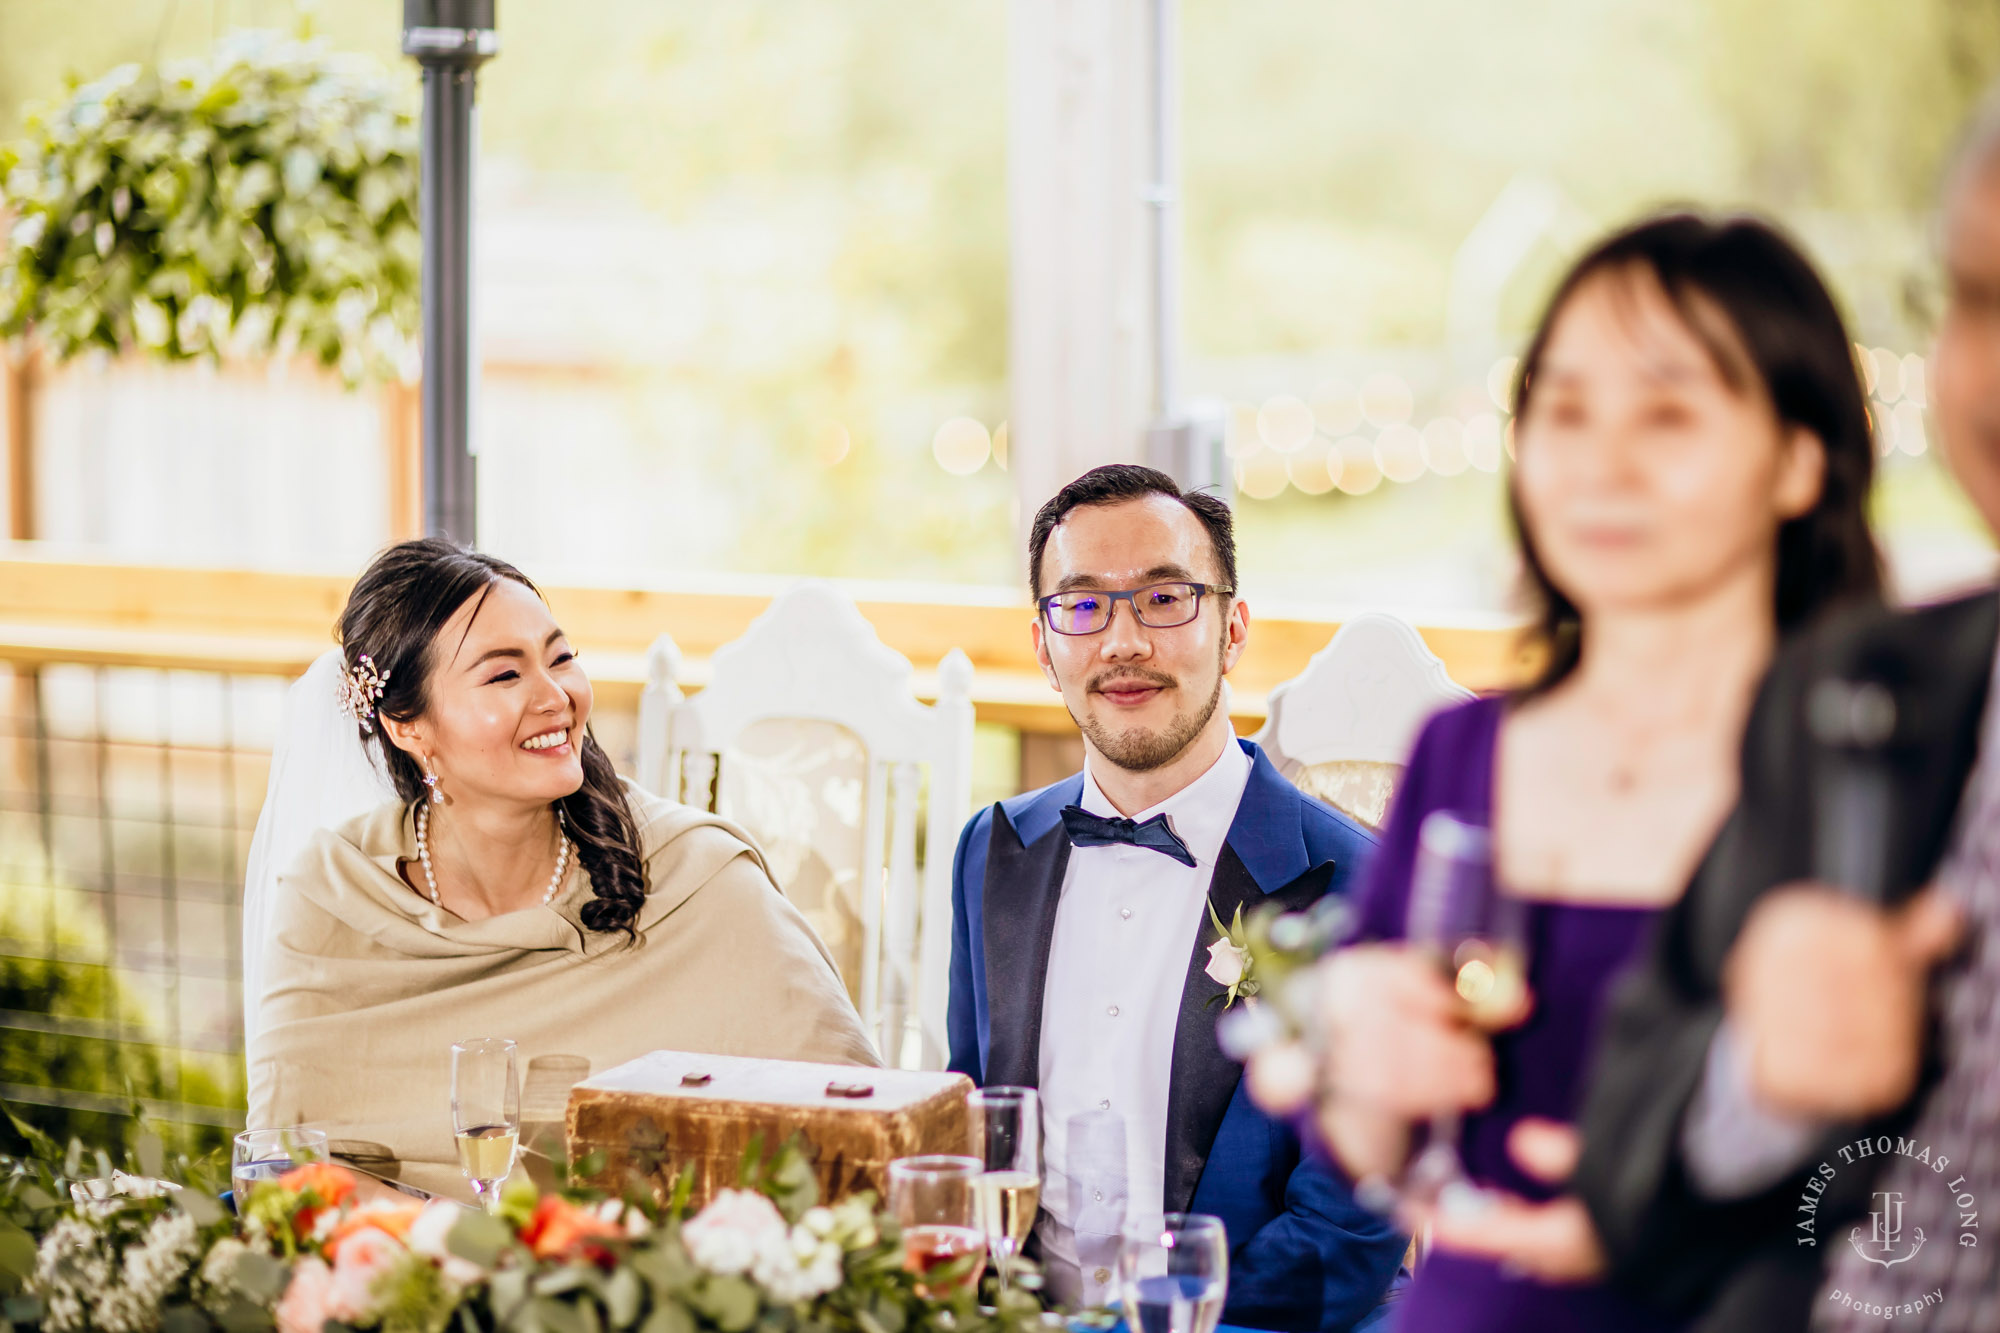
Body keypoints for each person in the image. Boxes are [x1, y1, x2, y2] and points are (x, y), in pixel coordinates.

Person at [1289, 213, 1883, 1333]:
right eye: (1562, 409)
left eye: (1665, 412)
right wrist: (1359, 1069)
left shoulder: (1878, 774)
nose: (1598, 463)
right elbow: (1372, 1148)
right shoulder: (1458, 753)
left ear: (1799, 459)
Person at [1568, 104, 2000, 1333]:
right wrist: (1755, 1078)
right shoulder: (1858, 692)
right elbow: (1630, 1158)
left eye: (1665, 413)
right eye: (1972, 299)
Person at [246, 539, 877, 1198]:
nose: (557, 696)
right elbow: (287, 1176)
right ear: (407, 725)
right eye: (504, 675)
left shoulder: (699, 877)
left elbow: (861, 1133)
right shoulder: (334, 893)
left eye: (562, 657)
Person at [944, 465, 1407, 1333]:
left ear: (1232, 630)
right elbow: (976, 1128)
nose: (1122, 641)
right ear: (1045, 647)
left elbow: (1346, 1233)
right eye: (1081, 605)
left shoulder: (1358, 886)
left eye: (1164, 599)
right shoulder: (991, 849)